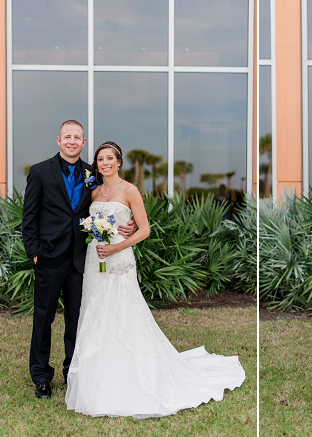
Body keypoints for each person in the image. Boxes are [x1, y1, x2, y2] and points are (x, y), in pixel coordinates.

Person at [65, 141, 245, 417]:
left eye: (110, 158)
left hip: (120, 258)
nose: (105, 163)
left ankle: (132, 377)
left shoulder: (130, 190)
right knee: (96, 313)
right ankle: (97, 377)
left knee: (123, 313)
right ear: (96, 165)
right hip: (95, 259)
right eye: (100, 159)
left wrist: (116, 245)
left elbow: (145, 229)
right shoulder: (94, 192)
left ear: (119, 162)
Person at [22, 120, 134, 400]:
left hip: (80, 260)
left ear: (83, 143)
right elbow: (29, 219)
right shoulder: (39, 172)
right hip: (48, 257)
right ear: (58, 140)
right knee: (43, 319)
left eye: (78, 137)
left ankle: (72, 372)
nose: (72, 141)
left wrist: (128, 225)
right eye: (67, 136)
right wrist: (35, 253)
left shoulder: (92, 174)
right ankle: (41, 377)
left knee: (77, 320)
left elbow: (108, 203)